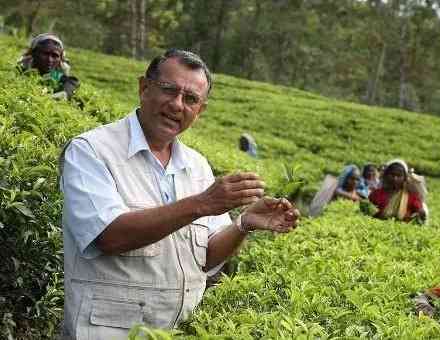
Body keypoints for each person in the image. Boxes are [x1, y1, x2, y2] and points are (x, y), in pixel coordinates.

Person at [59, 49, 300, 339]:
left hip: (172, 330)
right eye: (168, 90)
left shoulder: (196, 166)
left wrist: (243, 224)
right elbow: (109, 236)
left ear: (200, 110)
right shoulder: (92, 151)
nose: (177, 105)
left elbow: (206, 257)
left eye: (190, 99)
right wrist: (201, 204)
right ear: (143, 88)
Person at [17, 33, 80, 100]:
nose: (49, 60)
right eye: (45, 54)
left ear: (60, 59)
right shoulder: (20, 70)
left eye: (55, 56)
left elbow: (73, 82)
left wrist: (65, 93)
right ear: (34, 53)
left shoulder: (55, 76)